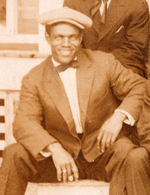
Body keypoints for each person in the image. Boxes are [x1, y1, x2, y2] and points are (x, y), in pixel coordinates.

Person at [0, 7, 146, 195]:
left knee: (127, 151)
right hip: (59, 162)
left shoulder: (104, 63)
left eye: (73, 37)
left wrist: (118, 117)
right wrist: (54, 148)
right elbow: (24, 122)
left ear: (80, 38)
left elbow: (140, 87)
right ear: (48, 38)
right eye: (59, 37)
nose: (66, 43)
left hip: (102, 154)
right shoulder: (34, 78)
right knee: (14, 154)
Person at [63, 0, 150, 77]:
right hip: (84, 69)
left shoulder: (136, 4)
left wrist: (101, 67)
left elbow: (135, 50)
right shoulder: (73, 3)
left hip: (122, 68)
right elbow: (70, 44)